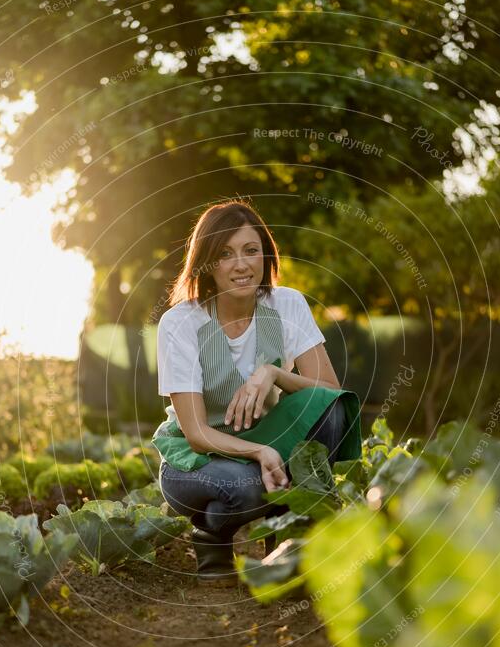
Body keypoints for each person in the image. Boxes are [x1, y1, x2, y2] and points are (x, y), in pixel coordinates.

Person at [152, 199, 361, 586]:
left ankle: (291, 538)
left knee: (330, 409)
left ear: (266, 256)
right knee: (247, 486)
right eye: (226, 254)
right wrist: (261, 452)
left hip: (268, 437)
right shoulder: (179, 323)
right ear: (206, 264)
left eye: (251, 251)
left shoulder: (287, 304)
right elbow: (197, 434)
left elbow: (330, 392)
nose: (242, 265)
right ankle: (212, 532)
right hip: (196, 460)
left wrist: (274, 374)